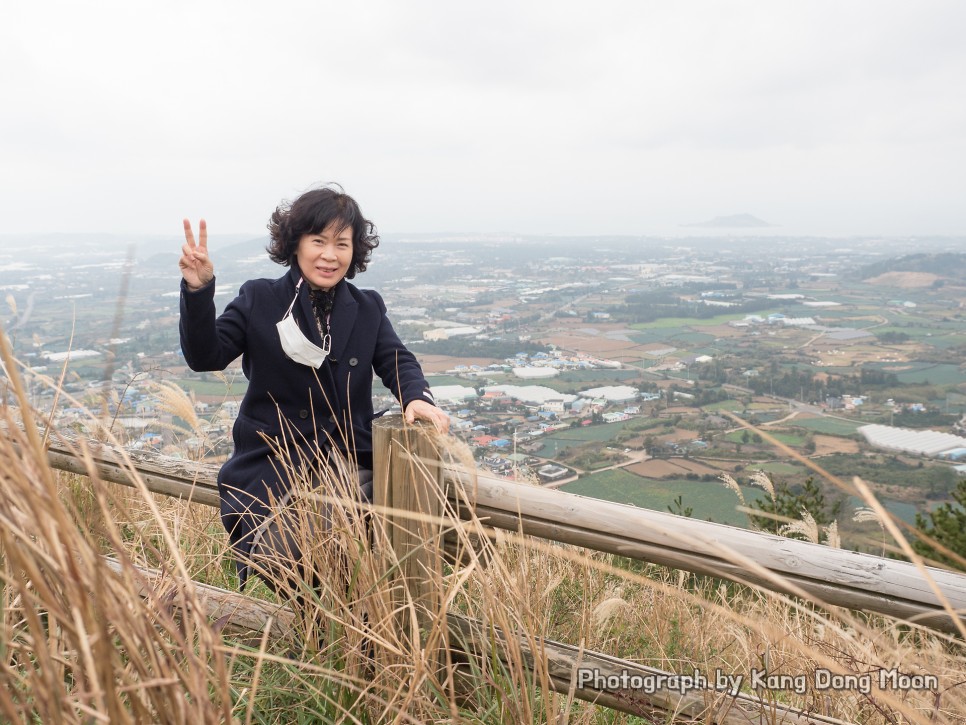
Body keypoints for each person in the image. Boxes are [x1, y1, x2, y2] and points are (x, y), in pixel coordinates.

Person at [178, 185, 449, 591]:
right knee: (289, 553)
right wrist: (199, 291)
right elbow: (205, 356)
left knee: (404, 508)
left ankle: (347, 633)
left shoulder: (367, 307)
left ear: (354, 251)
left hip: (348, 459)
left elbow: (396, 358)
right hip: (275, 465)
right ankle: (336, 630)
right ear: (296, 244)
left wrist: (415, 396)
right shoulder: (260, 299)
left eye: (342, 243)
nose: (330, 255)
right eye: (318, 240)